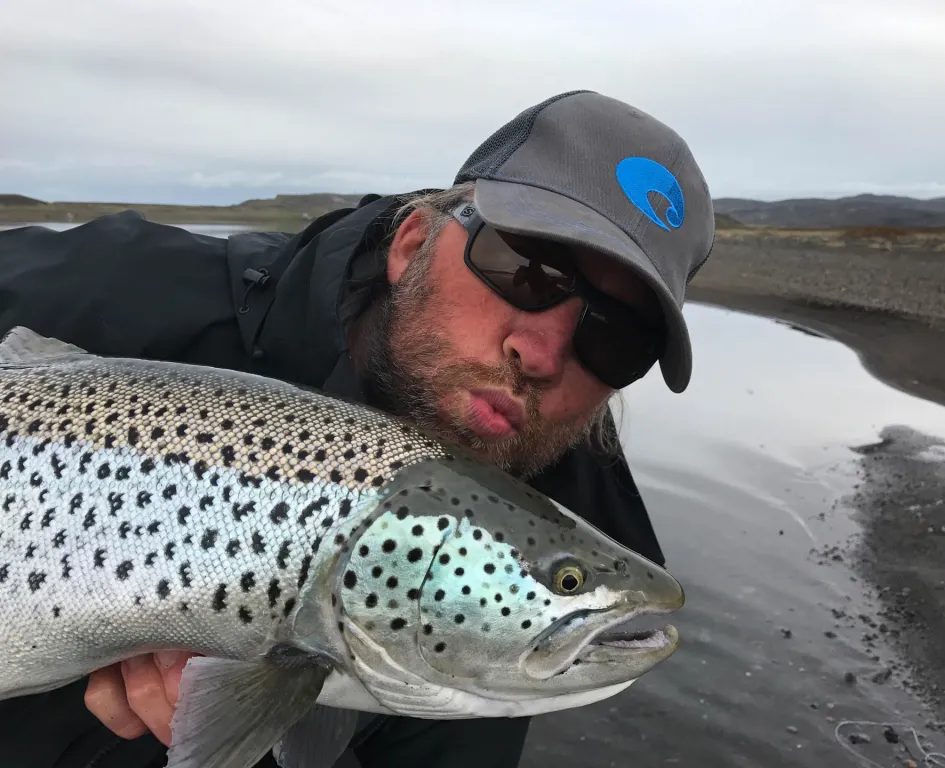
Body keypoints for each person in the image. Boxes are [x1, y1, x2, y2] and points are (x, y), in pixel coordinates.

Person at [0, 89, 715, 768]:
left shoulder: (530, 595)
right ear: (412, 243)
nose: (543, 353)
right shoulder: (112, 285)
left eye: (615, 339)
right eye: (527, 272)